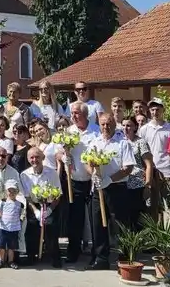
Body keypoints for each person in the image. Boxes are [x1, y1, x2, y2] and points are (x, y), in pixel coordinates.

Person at [85, 113, 136, 270]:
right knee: (98, 225)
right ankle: (101, 258)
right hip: (98, 189)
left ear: (114, 124)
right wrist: (93, 173)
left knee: (120, 225)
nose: (105, 127)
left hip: (116, 188)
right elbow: (87, 162)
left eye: (108, 124)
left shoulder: (122, 143)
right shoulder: (94, 142)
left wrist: (110, 179)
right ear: (99, 125)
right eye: (102, 124)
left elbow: (128, 167)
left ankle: (125, 259)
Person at [62, 101, 100, 263]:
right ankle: (73, 251)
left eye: (76, 113)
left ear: (85, 114)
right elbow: (58, 152)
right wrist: (63, 156)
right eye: (72, 113)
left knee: (94, 219)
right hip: (75, 181)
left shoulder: (96, 131)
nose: (73, 115)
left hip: (93, 180)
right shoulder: (68, 132)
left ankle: (96, 253)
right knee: (75, 219)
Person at [21, 146, 61, 268]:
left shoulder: (52, 173)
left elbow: (58, 195)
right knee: (31, 226)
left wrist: (49, 210)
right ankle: (31, 255)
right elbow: (26, 197)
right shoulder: (24, 175)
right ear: (28, 159)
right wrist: (36, 211)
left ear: (43, 158)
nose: (34, 160)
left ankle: (54, 256)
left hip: (50, 205)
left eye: (37, 157)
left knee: (50, 225)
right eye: (32, 157)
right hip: (33, 205)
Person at [0, 180, 24, 269]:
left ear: (17, 192)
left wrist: (21, 219)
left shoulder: (19, 204)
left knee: (12, 246)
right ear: (6, 192)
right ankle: (1, 260)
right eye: (9, 191)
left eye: (14, 191)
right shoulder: (3, 202)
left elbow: (22, 214)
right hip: (2, 227)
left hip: (14, 228)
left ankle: (11, 261)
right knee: (1, 245)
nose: (11, 193)